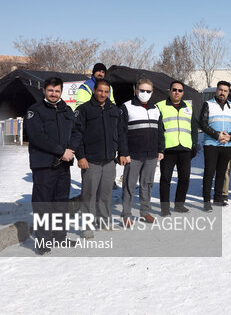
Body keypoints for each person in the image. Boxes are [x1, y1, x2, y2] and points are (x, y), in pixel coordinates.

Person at [24, 77, 76, 254]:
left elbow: (75, 132)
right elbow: (37, 136)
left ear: (61, 92)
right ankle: (43, 242)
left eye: (57, 91)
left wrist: (71, 150)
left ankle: (60, 237)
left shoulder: (67, 110)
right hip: (44, 165)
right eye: (50, 90)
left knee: (61, 204)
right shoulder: (35, 111)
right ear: (44, 90)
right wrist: (61, 151)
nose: (54, 94)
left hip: (63, 165)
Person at [71, 79, 128, 238]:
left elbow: (122, 133)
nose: (103, 94)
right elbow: (77, 135)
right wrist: (80, 156)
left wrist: (122, 152)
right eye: (100, 90)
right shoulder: (84, 110)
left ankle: (103, 221)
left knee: (105, 194)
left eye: (106, 91)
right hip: (90, 161)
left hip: (110, 161)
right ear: (94, 90)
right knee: (89, 194)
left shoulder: (115, 110)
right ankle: (87, 225)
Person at [120, 77, 164, 226]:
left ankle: (145, 212)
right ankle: (126, 214)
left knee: (147, 184)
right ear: (136, 90)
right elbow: (121, 132)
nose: (145, 93)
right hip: (133, 155)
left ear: (152, 92)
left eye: (148, 91)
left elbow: (160, 131)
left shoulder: (156, 108)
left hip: (151, 154)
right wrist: (124, 152)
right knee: (129, 184)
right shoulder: (126, 107)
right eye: (142, 90)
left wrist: (160, 149)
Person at [156, 81, 199, 216]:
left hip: (185, 148)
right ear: (170, 91)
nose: (177, 92)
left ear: (183, 93)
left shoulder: (188, 107)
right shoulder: (160, 106)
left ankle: (179, 204)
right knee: (165, 179)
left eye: (180, 90)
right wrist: (160, 148)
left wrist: (193, 145)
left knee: (184, 178)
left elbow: (193, 128)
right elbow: (158, 129)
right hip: (168, 148)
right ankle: (165, 208)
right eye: (174, 90)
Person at [199, 81, 231, 210]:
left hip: (227, 145)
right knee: (209, 172)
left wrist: (230, 137)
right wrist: (217, 135)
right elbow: (203, 123)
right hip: (211, 143)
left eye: (225, 91)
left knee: (222, 172)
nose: (222, 93)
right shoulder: (208, 104)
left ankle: (218, 198)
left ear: (229, 93)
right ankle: (206, 201)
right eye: (220, 90)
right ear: (216, 91)